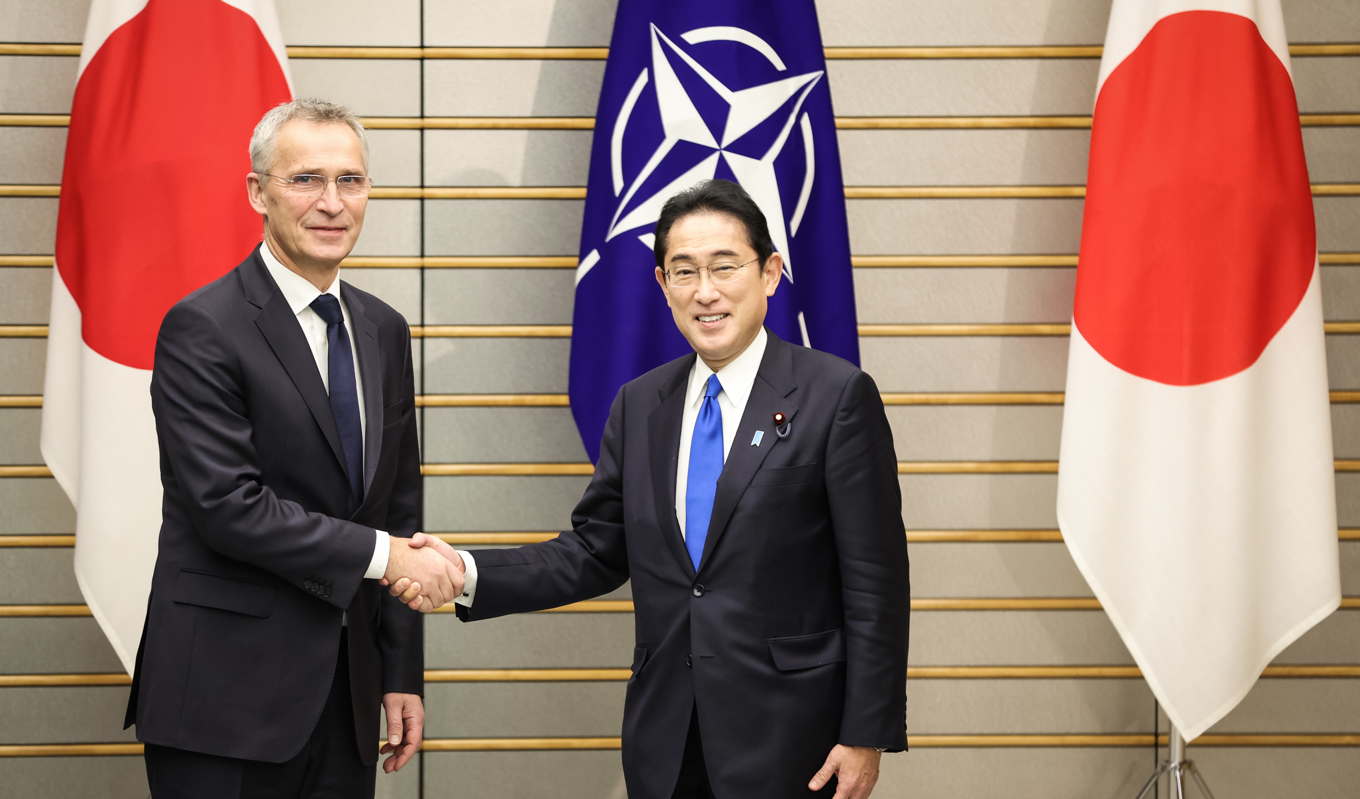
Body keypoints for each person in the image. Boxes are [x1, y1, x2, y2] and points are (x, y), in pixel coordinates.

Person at [393, 179, 909, 799]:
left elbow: (875, 580)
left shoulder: (836, 396)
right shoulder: (641, 406)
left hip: (795, 738)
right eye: (683, 272)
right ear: (663, 286)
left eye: (725, 267)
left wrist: (865, 733)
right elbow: (594, 552)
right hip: (667, 740)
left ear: (770, 273)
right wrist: (466, 572)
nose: (706, 291)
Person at [124, 98, 463, 799]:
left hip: (346, 698)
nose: (332, 203)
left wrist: (400, 672)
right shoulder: (202, 327)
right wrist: (388, 557)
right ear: (257, 192)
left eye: (351, 180)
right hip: (221, 703)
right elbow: (229, 507)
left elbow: (398, 504)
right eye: (306, 179)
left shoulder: (383, 329)